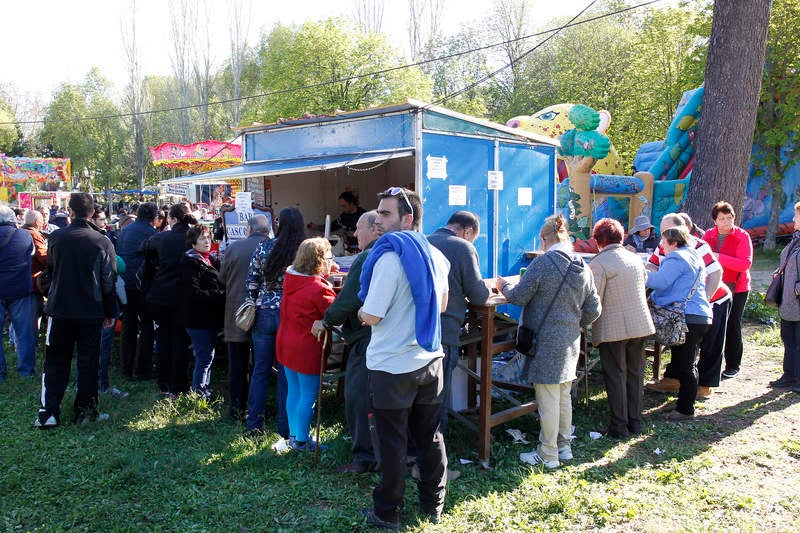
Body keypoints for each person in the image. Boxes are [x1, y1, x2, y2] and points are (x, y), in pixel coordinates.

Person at [357, 187, 450, 529]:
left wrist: (361, 314)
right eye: (378, 212)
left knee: (392, 443)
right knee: (430, 437)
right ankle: (433, 506)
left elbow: (373, 314)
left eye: (385, 214)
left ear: (408, 219)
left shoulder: (388, 259)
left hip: (392, 366)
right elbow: (442, 306)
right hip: (430, 360)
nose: (377, 220)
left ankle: (387, 513)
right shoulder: (436, 255)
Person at [496, 214, 601, 468]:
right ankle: (564, 447)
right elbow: (594, 309)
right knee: (563, 395)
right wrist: (574, 322)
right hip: (570, 340)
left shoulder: (543, 264)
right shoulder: (582, 265)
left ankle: (548, 453)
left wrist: (503, 286)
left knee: (548, 398)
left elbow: (519, 297)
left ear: (544, 239)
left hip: (544, 342)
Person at [35, 193, 117, 427]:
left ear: (70, 211)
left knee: (55, 360)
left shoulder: (57, 237)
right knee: (88, 362)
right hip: (90, 310)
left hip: (60, 309)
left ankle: (49, 412)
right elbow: (109, 279)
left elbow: (51, 271)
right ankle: (85, 412)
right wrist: (110, 311)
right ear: (92, 213)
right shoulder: (102, 241)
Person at [312, 210, 381, 472]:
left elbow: (349, 297)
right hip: (387, 338)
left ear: (374, 229)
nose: (354, 233)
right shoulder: (394, 252)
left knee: (359, 398)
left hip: (366, 338)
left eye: (359, 228)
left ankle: (365, 457)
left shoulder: (368, 256)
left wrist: (327, 320)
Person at [645, 213, 728, 398]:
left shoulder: (693, 248)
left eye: (667, 231)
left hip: (706, 303)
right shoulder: (677, 248)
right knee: (684, 356)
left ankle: (697, 393)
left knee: (701, 353)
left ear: (679, 232)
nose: (662, 238)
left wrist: (706, 299)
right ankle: (676, 385)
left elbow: (716, 272)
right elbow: (654, 266)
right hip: (689, 309)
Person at [589, 218, 655, 438]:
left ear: (599, 240)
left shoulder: (599, 263)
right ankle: (635, 422)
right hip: (640, 324)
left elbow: (594, 300)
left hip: (613, 328)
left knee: (616, 375)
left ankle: (619, 426)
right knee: (635, 374)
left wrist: (583, 323)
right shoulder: (634, 258)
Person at [244, 207, 305, 438]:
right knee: (285, 373)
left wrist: (252, 304)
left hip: (264, 312)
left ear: (279, 224)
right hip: (290, 314)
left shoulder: (264, 247)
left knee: (260, 369)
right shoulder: (303, 251)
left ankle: (254, 424)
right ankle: (285, 427)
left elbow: (251, 282)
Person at [427, 211, 489, 431]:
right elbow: (478, 296)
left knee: (417, 397)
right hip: (444, 332)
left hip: (415, 330)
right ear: (467, 231)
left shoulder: (424, 241)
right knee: (438, 397)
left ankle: (412, 446)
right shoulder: (463, 247)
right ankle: (435, 447)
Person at [646, 226, 713, 420]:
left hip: (687, 316)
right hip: (698, 315)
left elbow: (659, 282)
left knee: (685, 364)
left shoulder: (676, 257)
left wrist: (639, 271)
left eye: (664, 242)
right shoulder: (693, 255)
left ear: (674, 242)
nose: (662, 246)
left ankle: (685, 409)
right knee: (686, 362)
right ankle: (684, 404)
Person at [276, 238, 337, 451]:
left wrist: (325, 275)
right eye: (329, 258)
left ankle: (295, 436)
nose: (332, 261)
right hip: (306, 347)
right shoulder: (318, 289)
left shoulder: (291, 278)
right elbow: (334, 312)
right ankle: (302, 441)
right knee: (308, 394)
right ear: (318, 261)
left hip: (286, 342)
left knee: (294, 390)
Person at [142, 203, 197, 396]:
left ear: (173, 219)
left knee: (164, 339)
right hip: (183, 296)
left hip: (162, 295)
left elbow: (145, 250)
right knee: (181, 340)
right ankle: (178, 383)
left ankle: (164, 381)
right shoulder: (193, 238)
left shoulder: (161, 238)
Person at [220, 214, 271, 421]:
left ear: (248, 229)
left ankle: (236, 409)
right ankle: (259, 408)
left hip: (238, 312)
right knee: (262, 366)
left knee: (237, 364)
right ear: (268, 231)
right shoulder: (273, 248)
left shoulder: (234, 248)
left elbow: (222, 278)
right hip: (265, 312)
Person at [703, 201, 753, 379]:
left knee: (732, 324)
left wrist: (718, 257)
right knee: (712, 325)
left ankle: (733, 365)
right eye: (722, 218)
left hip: (737, 287)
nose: (726, 221)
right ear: (715, 220)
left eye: (729, 217)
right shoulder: (708, 235)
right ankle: (708, 364)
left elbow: (744, 263)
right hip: (714, 286)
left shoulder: (742, 236)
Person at [180, 224, 225, 398]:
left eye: (208, 237)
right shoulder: (191, 263)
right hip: (198, 319)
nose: (207, 241)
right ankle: (198, 392)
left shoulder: (210, 259)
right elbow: (193, 293)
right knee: (204, 356)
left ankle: (203, 388)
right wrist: (220, 294)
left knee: (207, 355)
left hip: (208, 318)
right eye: (202, 238)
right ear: (193, 243)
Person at [117, 202, 158, 380]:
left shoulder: (125, 230)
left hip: (125, 282)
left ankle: (126, 366)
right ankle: (141, 369)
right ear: (154, 218)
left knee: (129, 324)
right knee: (147, 325)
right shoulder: (151, 233)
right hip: (141, 284)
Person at [0, 206, 36, 381]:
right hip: (20, 289)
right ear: (13, 219)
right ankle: (26, 371)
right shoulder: (24, 235)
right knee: (24, 333)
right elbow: (31, 252)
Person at [768, 202, 800, 391]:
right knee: (789, 338)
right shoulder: (796, 238)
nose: (793, 219)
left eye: (797, 215)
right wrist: (779, 272)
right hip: (789, 300)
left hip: (797, 298)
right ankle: (790, 375)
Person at [21, 210, 48, 337]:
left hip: (21, 279)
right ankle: (32, 341)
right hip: (34, 280)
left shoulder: (20, 232)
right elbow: (44, 257)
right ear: (37, 222)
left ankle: (14, 340)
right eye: (42, 221)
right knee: (34, 315)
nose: (43, 223)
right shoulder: (34, 234)